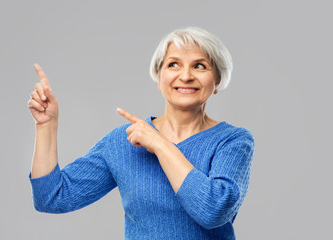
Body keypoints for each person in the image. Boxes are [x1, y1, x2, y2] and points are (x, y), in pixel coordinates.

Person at [28, 26, 255, 239]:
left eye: (199, 66)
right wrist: (46, 126)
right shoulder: (124, 141)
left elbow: (212, 210)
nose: (185, 76)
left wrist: (160, 144)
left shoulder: (233, 141)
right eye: (173, 64)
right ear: (159, 77)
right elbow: (51, 197)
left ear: (217, 80)